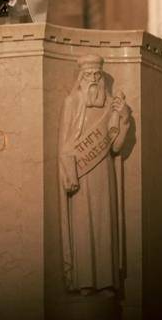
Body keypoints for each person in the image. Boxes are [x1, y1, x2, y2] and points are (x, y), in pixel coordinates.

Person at [58, 54, 131, 294]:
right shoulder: (72, 102)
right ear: (81, 79)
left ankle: (107, 281)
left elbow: (117, 147)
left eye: (97, 76)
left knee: (103, 224)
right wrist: (70, 171)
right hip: (80, 172)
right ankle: (86, 281)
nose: (93, 81)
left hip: (103, 173)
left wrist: (124, 119)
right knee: (82, 225)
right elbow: (64, 145)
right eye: (88, 76)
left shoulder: (111, 104)